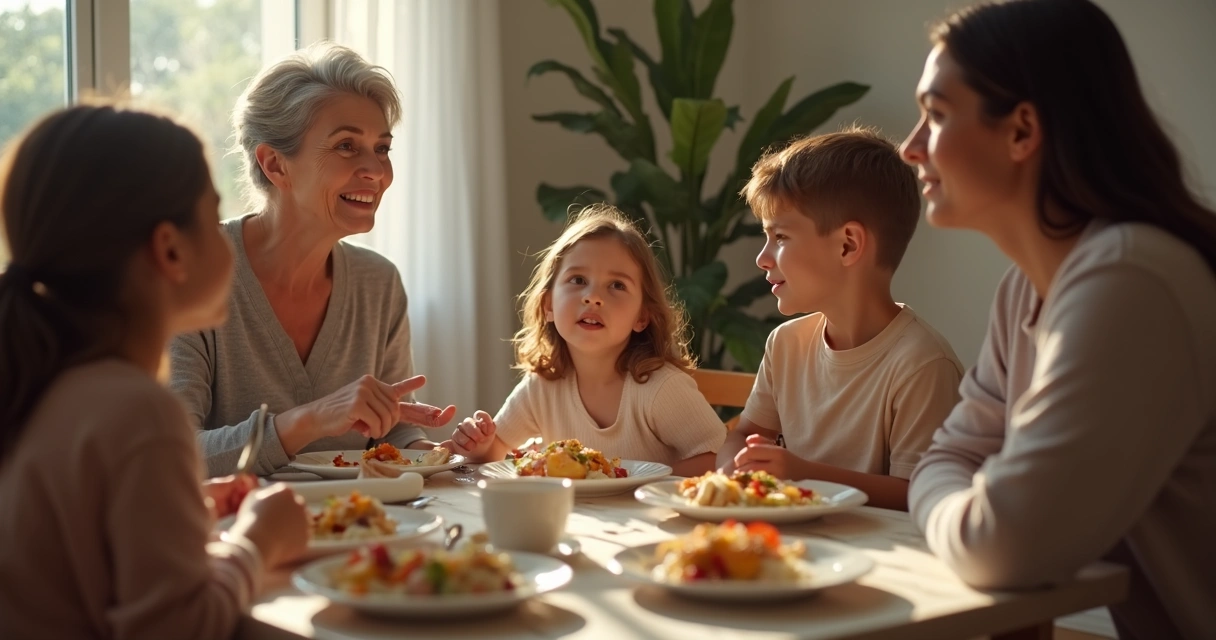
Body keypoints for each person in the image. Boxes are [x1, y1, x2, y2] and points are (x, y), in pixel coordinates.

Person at [900, 1, 1216, 637]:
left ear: (1021, 130)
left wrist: (946, 506)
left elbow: (1003, 546)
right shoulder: (1027, 288)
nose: (909, 148)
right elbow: (951, 453)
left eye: (935, 115)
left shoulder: (1133, 279)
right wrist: (961, 502)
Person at [0, 105, 309, 639]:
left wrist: (180, 510)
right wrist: (258, 542)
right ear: (170, 249)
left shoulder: (41, 382)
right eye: (211, 216)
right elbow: (177, 629)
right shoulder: (138, 411)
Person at [170, 43, 455, 477]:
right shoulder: (190, 275)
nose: (376, 171)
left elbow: (388, 432)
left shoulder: (378, 283)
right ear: (274, 165)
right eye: (346, 146)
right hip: (235, 536)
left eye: (382, 148)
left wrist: (430, 451)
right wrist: (309, 419)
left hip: (362, 530)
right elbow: (170, 455)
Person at [716, 126, 963, 511]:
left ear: (848, 244)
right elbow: (744, 433)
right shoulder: (785, 345)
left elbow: (916, 492)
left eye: (780, 237)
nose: (762, 258)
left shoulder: (922, 365)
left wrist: (802, 474)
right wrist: (731, 477)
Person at [447, 205, 726, 476]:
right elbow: (497, 450)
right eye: (578, 279)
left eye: (617, 285)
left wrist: (638, 482)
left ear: (642, 316)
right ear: (548, 305)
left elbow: (720, 458)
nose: (593, 297)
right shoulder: (542, 386)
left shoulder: (661, 388)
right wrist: (481, 444)